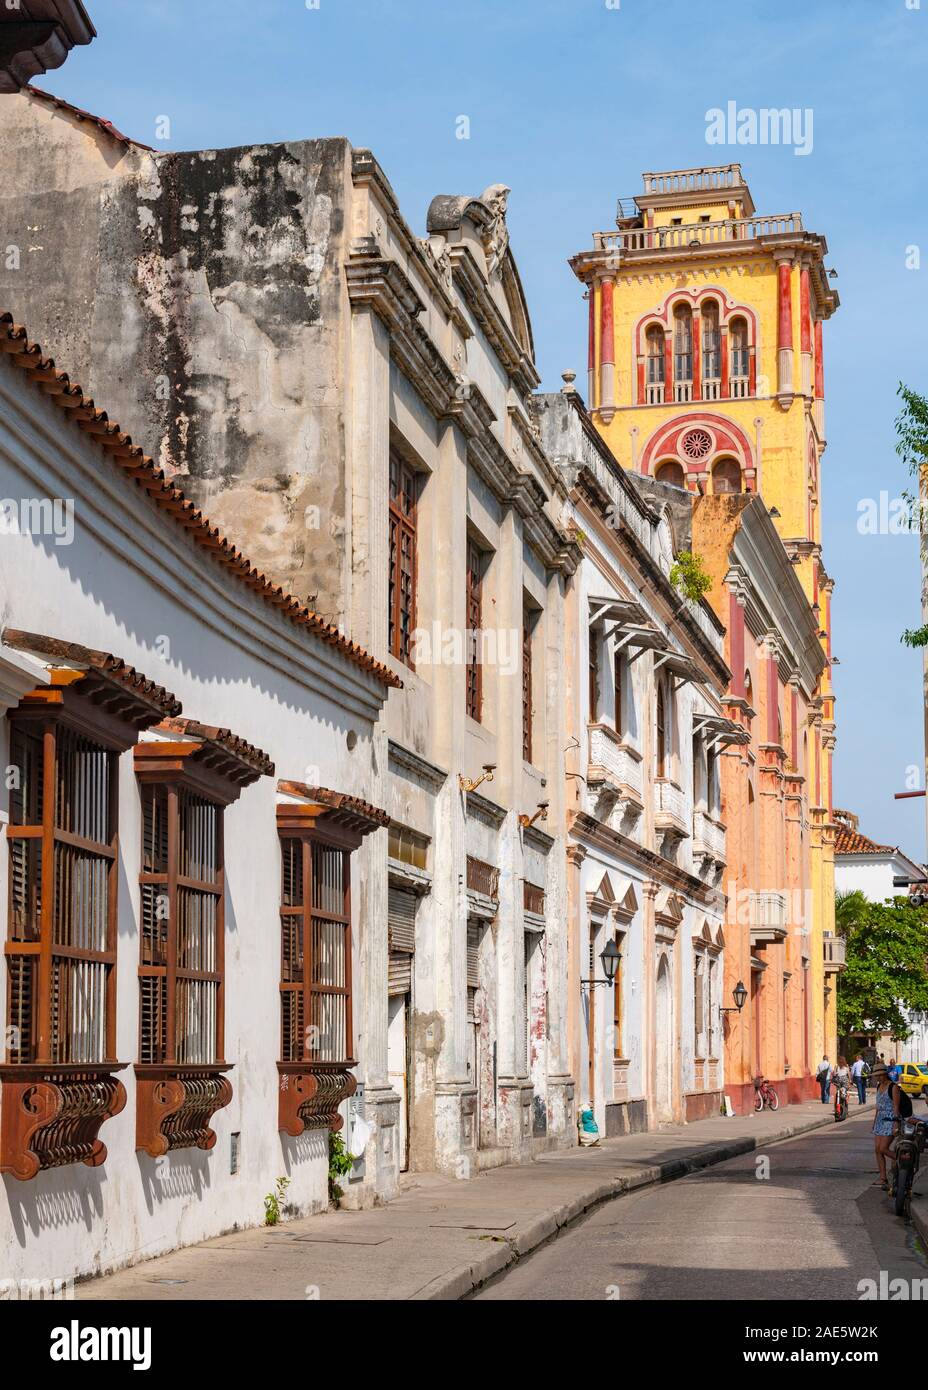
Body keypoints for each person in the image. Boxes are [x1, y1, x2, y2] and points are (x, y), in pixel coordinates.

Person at [871, 1063, 903, 1189]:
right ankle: (883, 1178)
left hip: (890, 1120)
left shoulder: (893, 1087)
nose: (877, 1078)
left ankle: (903, 1161)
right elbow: (878, 1106)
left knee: (883, 1148)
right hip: (880, 1120)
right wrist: (874, 1122)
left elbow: (896, 1106)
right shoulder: (879, 1086)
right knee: (877, 1150)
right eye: (876, 1076)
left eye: (879, 1075)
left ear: (885, 1074)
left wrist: (896, 1123)